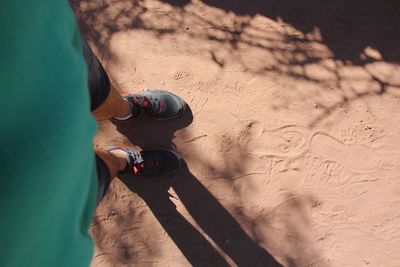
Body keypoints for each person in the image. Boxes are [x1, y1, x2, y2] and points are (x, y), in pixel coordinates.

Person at [0, 0, 185, 266]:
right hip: (21, 218)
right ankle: (120, 159)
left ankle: (125, 109)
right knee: (77, 178)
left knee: (88, 88)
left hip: (24, 29)